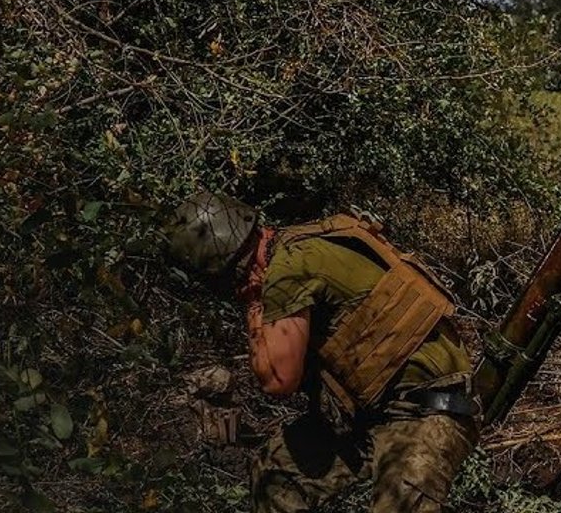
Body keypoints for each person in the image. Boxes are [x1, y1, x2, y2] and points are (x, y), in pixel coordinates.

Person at [165, 192, 478, 513]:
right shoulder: (302, 241)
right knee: (276, 475)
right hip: (373, 415)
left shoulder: (285, 270)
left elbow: (277, 380)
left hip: (428, 414)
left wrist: (254, 302)